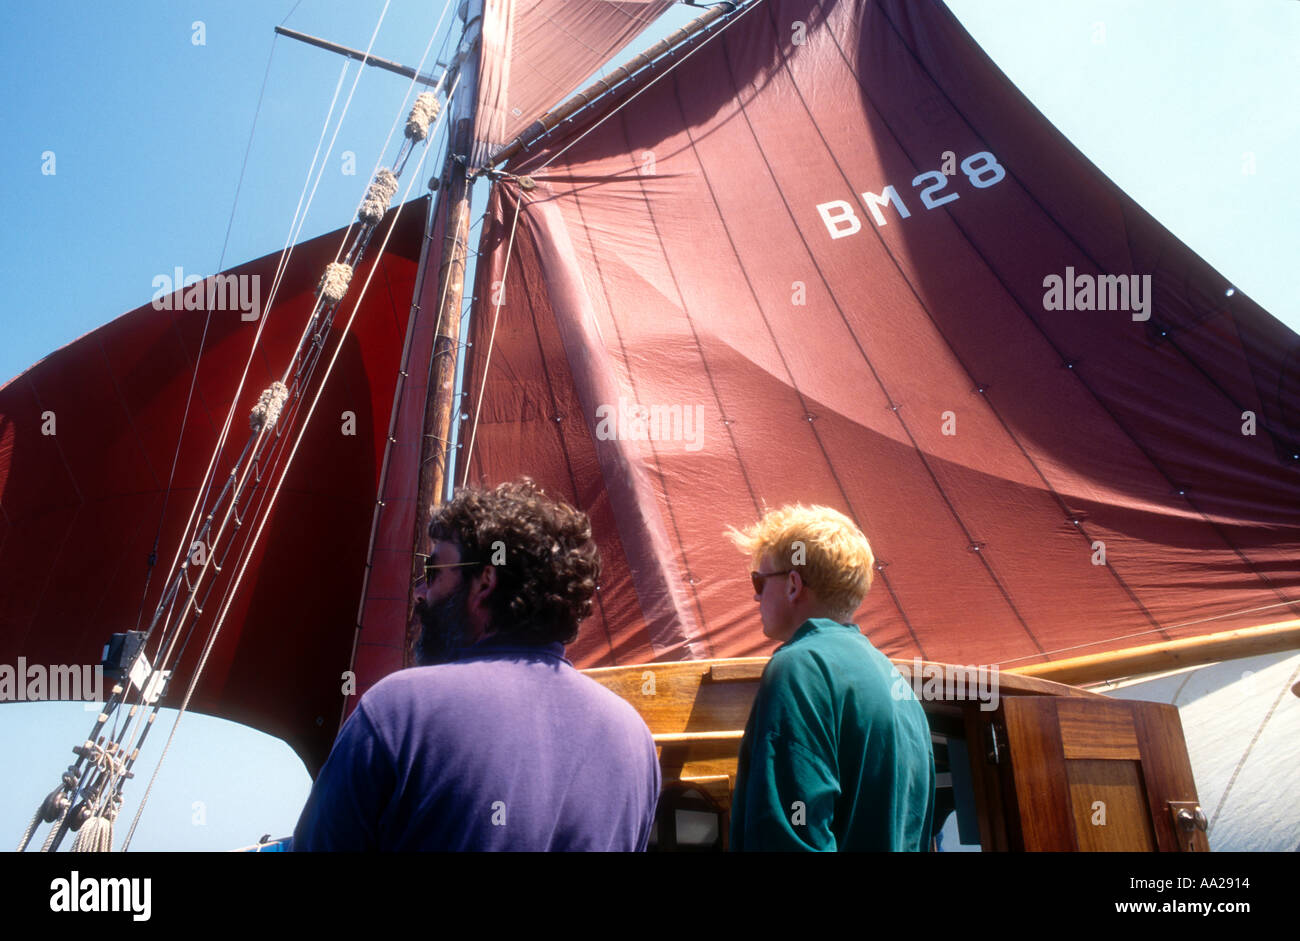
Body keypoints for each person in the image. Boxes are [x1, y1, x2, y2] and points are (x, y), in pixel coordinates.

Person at [292, 479, 660, 851]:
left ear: (485, 581)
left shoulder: (399, 711)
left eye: (434, 572)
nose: (421, 592)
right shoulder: (634, 740)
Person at [725, 503, 934, 851]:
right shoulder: (897, 683)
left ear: (793, 585)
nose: (755, 595)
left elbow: (791, 829)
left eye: (759, 581)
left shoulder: (799, 669)